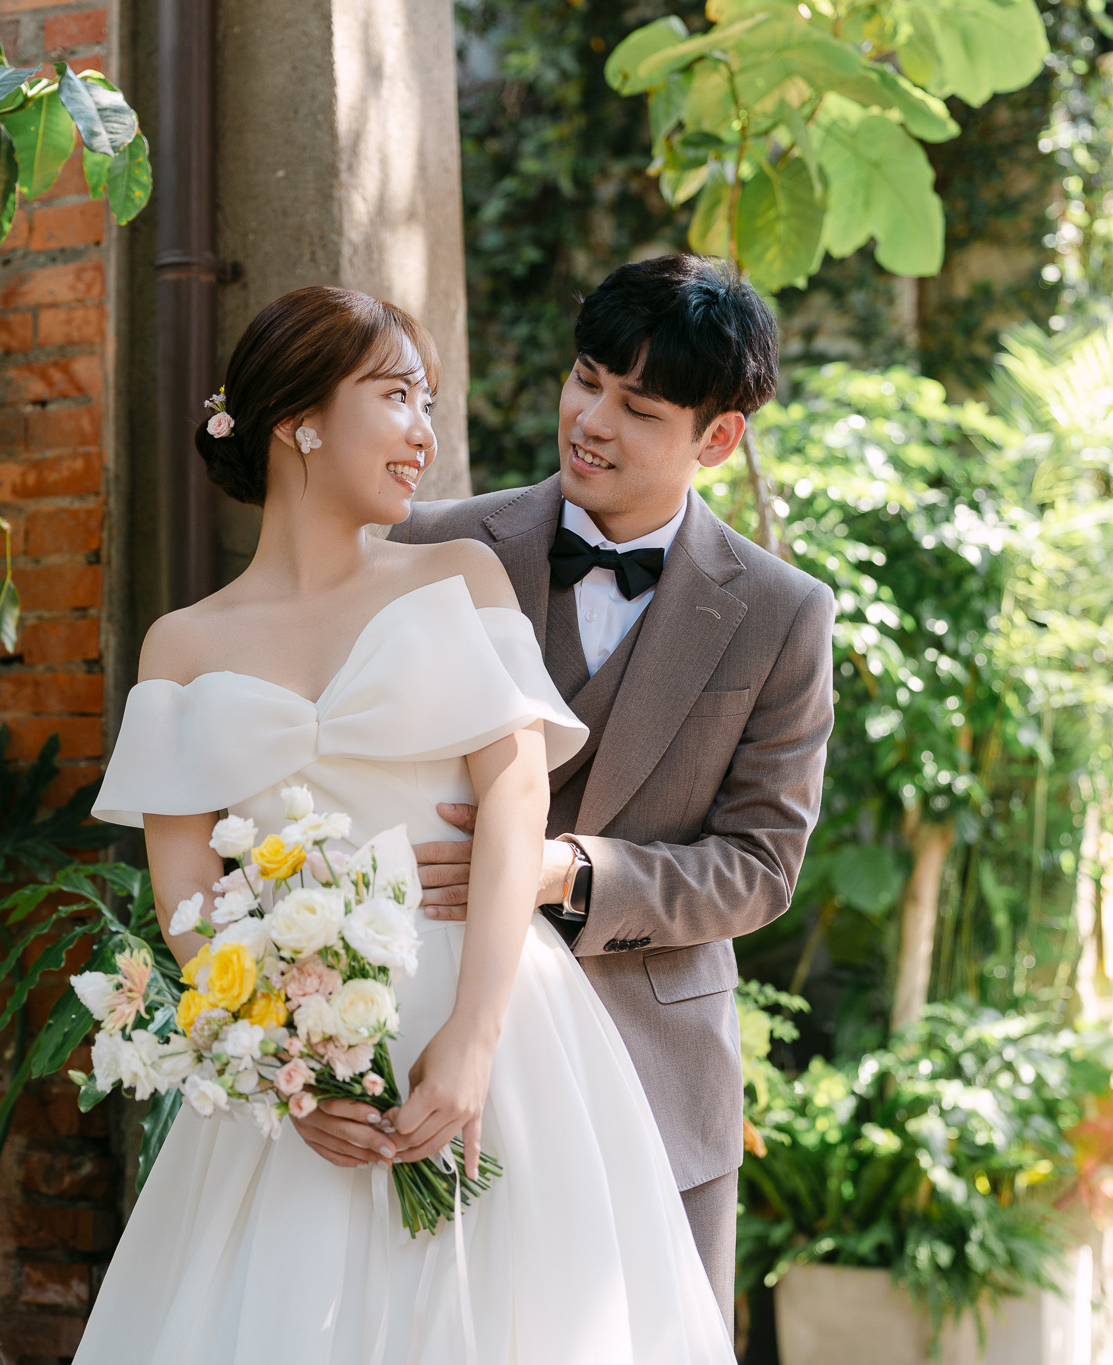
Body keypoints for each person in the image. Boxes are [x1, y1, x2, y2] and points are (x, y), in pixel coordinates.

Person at [79, 285, 734, 1362]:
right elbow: (186, 896)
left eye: (427, 401)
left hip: (495, 1019)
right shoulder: (181, 645)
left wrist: (473, 1041)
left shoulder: (456, 574)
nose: (424, 431)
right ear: (299, 420)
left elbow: (517, 794)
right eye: (396, 396)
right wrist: (289, 1074)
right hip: (306, 1055)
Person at [297, 255, 837, 1317]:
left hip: (653, 1072)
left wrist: (560, 871)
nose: (590, 420)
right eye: (586, 379)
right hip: (427, 1048)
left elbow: (760, 866)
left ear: (717, 438)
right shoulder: (430, 543)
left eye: (638, 408)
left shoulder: (783, 613)